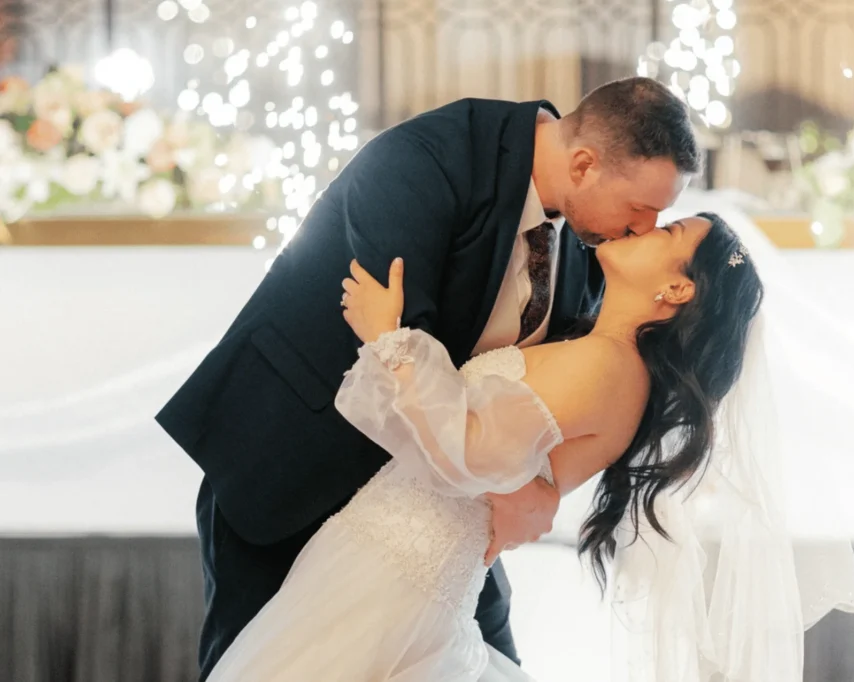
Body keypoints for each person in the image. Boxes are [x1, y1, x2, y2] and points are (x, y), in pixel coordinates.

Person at [155, 76, 700, 679]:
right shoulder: (426, 160)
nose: (645, 228)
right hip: (297, 462)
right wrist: (517, 491)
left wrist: (543, 485)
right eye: (641, 209)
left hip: (429, 516)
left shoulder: (589, 243)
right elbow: (401, 350)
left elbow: (551, 399)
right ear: (583, 164)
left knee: (490, 658)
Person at [206, 212, 772, 681]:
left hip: (396, 579)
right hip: (387, 560)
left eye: (668, 233)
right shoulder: (599, 353)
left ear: (678, 288)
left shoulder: (609, 366)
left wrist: (388, 337)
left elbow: (468, 455)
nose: (643, 226)